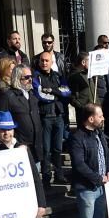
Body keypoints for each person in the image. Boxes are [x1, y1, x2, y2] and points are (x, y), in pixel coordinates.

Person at [33, 51, 71, 185]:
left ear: (51, 62)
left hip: (58, 116)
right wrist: (57, 95)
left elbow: (67, 92)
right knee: (46, 149)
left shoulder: (58, 76)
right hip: (45, 117)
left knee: (58, 148)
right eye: (42, 60)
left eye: (46, 61)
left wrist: (52, 90)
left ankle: (59, 175)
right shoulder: (36, 77)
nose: (44, 63)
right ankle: (47, 177)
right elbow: (39, 95)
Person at [0, 65, 43, 170]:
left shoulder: (32, 95)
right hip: (19, 147)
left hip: (36, 147)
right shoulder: (7, 96)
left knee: (36, 179)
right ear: (17, 78)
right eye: (26, 77)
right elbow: (0, 122)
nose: (30, 79)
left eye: (31, 77)